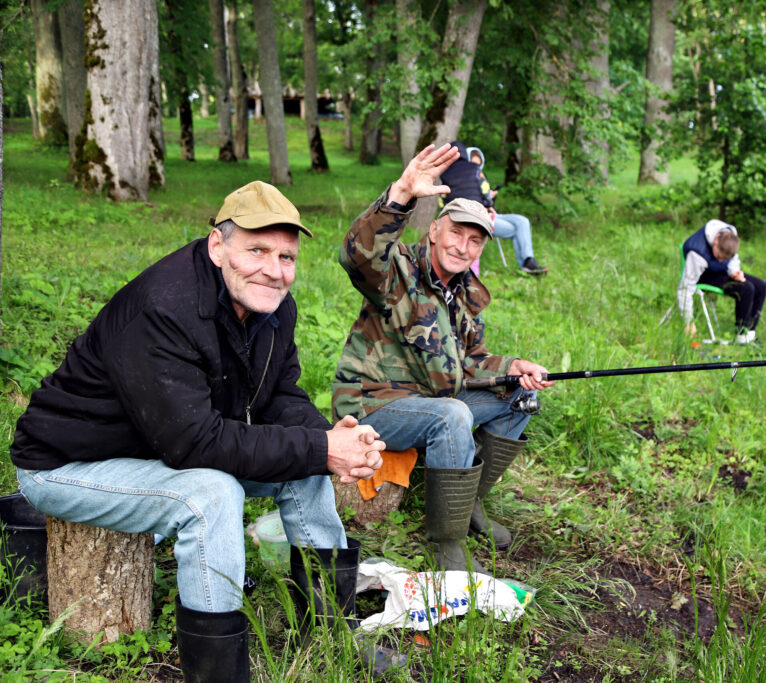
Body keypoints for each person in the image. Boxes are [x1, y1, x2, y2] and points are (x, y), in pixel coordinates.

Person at [8, 181, 403, 680]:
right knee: (211, 493)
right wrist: (322, 447)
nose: (273, 269)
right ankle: (218, 673)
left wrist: (334, 440)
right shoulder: (164, 307)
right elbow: (194, 444)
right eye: (256, 250)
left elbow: (280, 395)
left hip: (156, 448)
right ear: (218, 246)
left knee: (304, 467)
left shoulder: (273, 306)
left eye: (286, 256)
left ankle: (329, 632)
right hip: (67, 464)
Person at [332, 144, 554, 572]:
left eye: (474, 241)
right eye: (456, 233)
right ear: (434, 230)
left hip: (436, 401)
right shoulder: (398, 273)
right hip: (377, 405)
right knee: (451, 415)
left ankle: (466, 502)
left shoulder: (465, 296)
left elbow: (474, 362)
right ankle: (445, 541)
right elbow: (356, 255)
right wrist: (400, 193)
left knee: (519, 397)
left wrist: (512, 368)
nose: (463, 246)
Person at [440, 140, 548, 275]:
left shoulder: (444, 174)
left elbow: (443, 200)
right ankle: (526, 264)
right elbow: (485, 192)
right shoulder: (474, 170)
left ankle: (528, 262)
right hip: (481, 215)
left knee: (522, 221)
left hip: (467, 214)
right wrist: (490, 200)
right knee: (519, 227)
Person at [678, 219, 766, 344]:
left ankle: (750, 334)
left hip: (720, 272)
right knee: (746, 288)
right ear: (715, 242)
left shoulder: (729, 235)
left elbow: (733, 260)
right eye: (720, 257)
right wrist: (688, 321)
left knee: (761, 286)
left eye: (725, 258)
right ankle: (741, 336)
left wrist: (735, 272)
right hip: (703, 275)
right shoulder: (697, 253)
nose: (721, 261)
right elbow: (685, 288)